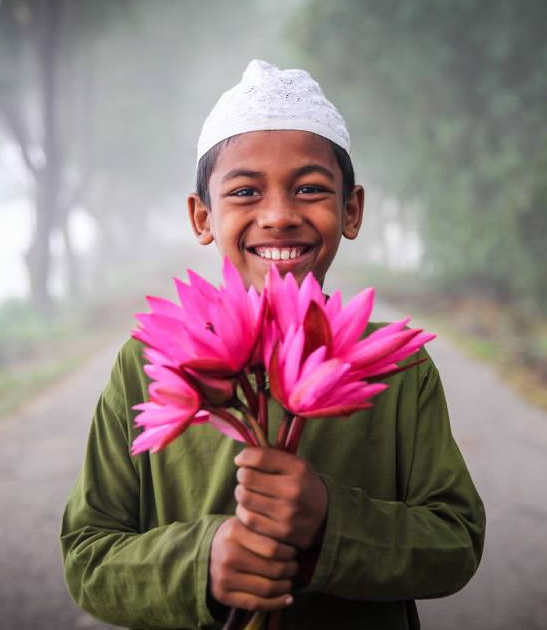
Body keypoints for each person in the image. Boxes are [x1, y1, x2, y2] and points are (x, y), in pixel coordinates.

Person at [60, 60, 485, 629]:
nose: (280, 216)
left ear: (351, 209)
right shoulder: (147, 359)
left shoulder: (402, 366)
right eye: (245, 192)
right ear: (202, 217)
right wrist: (203, 562)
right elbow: (88, 553)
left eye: (310, 189)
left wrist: (330, 524)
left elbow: (456, 541)